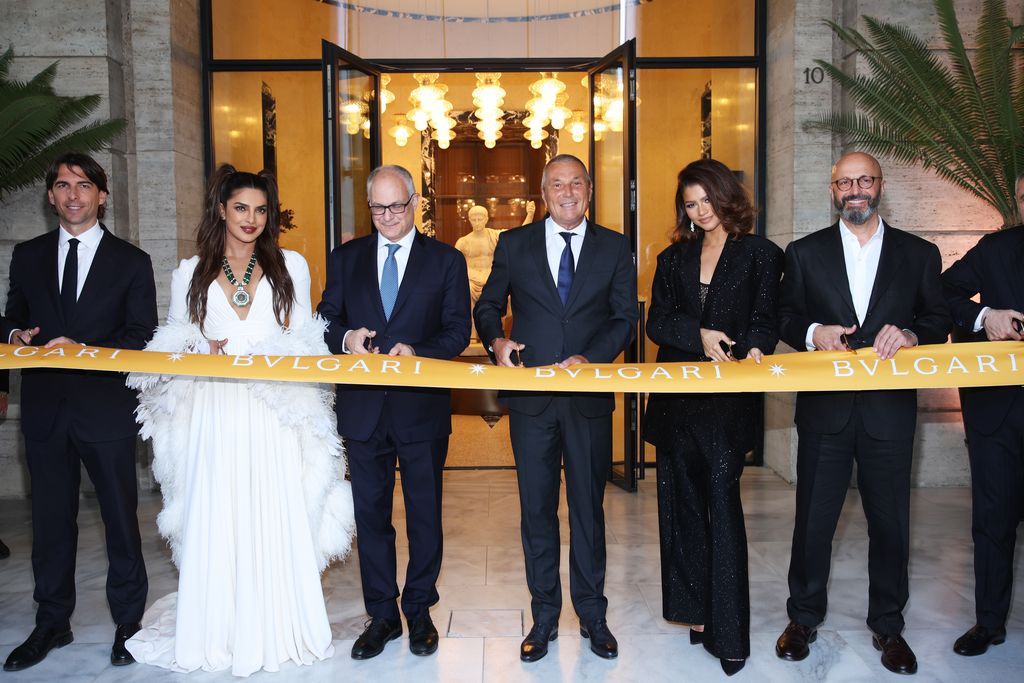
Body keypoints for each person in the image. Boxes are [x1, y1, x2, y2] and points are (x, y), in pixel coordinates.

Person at [123, 166, 354, 676]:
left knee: (274, 511)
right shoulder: (191, 271)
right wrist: (198, 346)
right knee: (221, 511)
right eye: (241, 208)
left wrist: (277, 351)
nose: (251, 219)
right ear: (222, 211)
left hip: (273, 415)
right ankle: (220, 628)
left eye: (261, 210)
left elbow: (308, 341)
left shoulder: (290, 265)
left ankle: (279, 625)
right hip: (216, 413)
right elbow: (173, 339)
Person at [775, 151, 951, 675]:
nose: (856, 189)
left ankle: (889, 626)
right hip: (825, 412)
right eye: (845, 181)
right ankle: (803, 618)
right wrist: (812, 334)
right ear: (833, 190)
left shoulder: (920, 253)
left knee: (891, 523)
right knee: (812, 522)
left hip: (889, 413)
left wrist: (914, 333)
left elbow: (938, 315)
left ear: (880, 186)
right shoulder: (803, 253)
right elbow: (786, 315)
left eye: (865, 180)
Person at [474, 154, 639, 662]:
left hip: (587, 400)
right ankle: (543, 617)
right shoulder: (514, 243)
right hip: (531, 403)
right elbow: (486, 305)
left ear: (589, 191)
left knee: (589, 512)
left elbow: (624, 316)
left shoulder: (614, 246)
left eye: (577, 184)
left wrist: (591, 358)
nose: (568, 192)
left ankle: (592, 615)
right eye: (557, 185)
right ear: (544, 193)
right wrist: (496, 342)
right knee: (537, 513)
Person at [2, 152, 157, 671]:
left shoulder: (131, 261)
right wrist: (15, 334)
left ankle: (129, 623)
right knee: (50, 523)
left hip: (105, 410)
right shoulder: (27, 255)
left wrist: (85, 347)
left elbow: (141, 337)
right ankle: (51, 623)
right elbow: (14, 316)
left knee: (120, 522)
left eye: (84, 185)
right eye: (64, 186)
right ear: (51, 196)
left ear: (101, 195)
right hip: (45, 412)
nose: (73, 195)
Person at [317, 164, 471, 660]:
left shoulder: (446, 261)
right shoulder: (345, 258)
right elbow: (326, 321)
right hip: (362, 410)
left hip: (419, 409)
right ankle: (382, 614)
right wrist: (345, 338)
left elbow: (457, 333)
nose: (387, 216)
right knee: (372, 516)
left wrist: (418, 352)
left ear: (415, 202)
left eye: (397, 206)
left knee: (424, 515)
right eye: (378, 208)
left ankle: (420, 609)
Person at [643, 159, 782, 676]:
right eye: (690, 203)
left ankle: (730, 631)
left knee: (722, 506)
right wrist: (696, 335)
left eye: (707, 200)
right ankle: (697, 611)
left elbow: (767, 319)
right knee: (681, 508)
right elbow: (657, 322)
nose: (700, 211)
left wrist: (753, 349)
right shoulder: (672, 257)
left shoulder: (761, 255)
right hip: (678, 400)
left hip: (728, 403)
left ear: (727, 197)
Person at [941, 171, 1024, 657]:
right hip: (997, 413)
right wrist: (982, 316)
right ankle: (989, 623)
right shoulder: (994, 250)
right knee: (992, 521)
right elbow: (939, 293)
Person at [455, 203, 536, 340]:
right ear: (469, 220)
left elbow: (519, 234)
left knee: (506, 289)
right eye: (473, 219)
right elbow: (457, 266)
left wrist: (530, 214)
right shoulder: (463, 242)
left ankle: (498, 335)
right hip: (472, 280)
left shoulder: (496, 235)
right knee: (465, 289)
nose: (477, 222)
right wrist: (474, 276)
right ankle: (473, 335)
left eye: (480, 219)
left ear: (486, 219)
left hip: (492, 280)